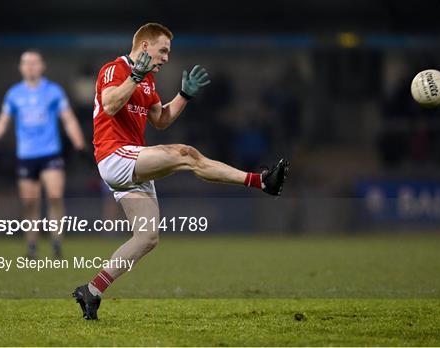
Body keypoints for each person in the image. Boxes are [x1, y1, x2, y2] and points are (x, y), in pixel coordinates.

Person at [72, 23, 289, 320]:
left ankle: (92, 291)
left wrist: (184, 96)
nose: (166, 58)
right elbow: (109, 105)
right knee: (187, 154)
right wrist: (135, 76)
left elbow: (161, 120)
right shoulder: (115, 69)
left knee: (147, 237)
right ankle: (261, 181)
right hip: (114, 155)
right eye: (163, 50)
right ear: (145, 47)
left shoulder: (146, 81)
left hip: (132, 160)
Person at [0, 49, 88, 259]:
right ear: (21, 67)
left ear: (42, 66)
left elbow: (68, 119)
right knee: (30, 202)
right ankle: (32, 245)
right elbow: (1, 124)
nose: (30, 66)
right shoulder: (14, 94)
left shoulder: (54, 91)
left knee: (54, 196)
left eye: (34, 62)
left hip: (50, 153)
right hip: (26, 156)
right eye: (26, 63)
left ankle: (56, 243)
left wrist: (80, 147)